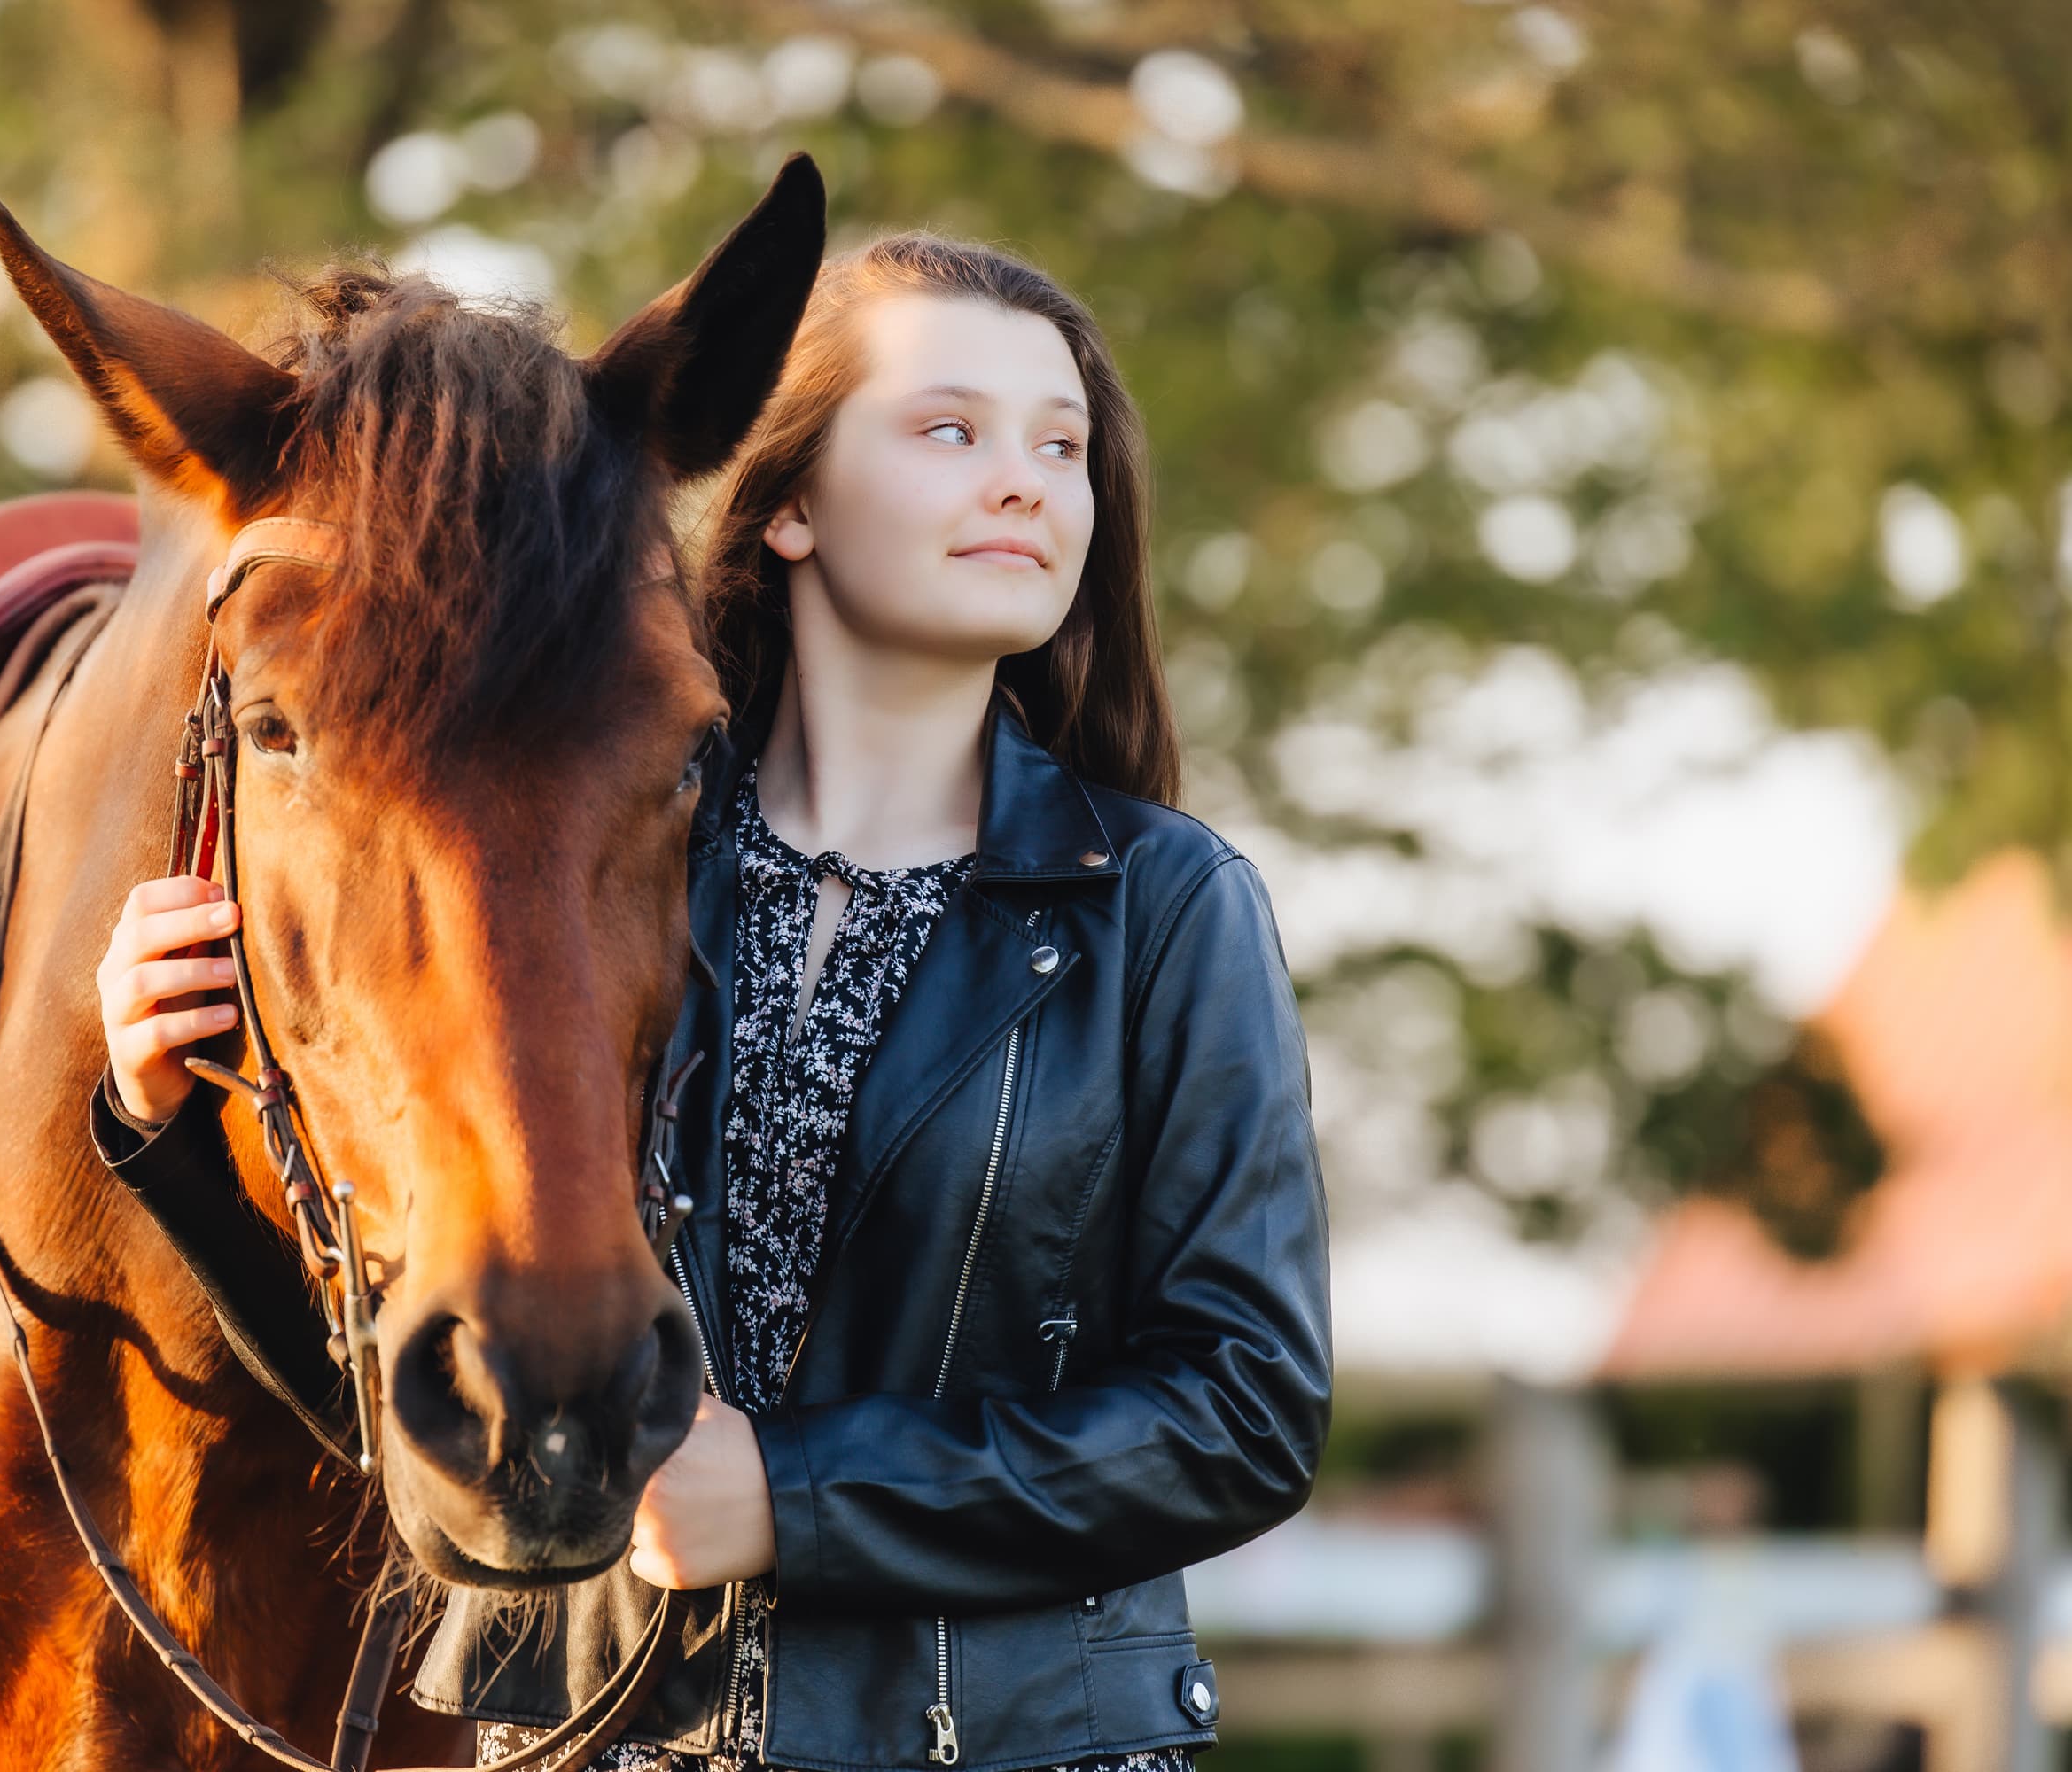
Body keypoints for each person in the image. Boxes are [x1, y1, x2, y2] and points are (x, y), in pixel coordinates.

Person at [88, 231, 1332, 1771]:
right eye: (950, 430)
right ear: (791, 499)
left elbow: (1244, 1411)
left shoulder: (1165, 908)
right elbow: (428, 1396)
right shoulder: (589, 880)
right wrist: (166, 1122)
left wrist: (793, 1499)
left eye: (1060, 446)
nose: (1023, 481)